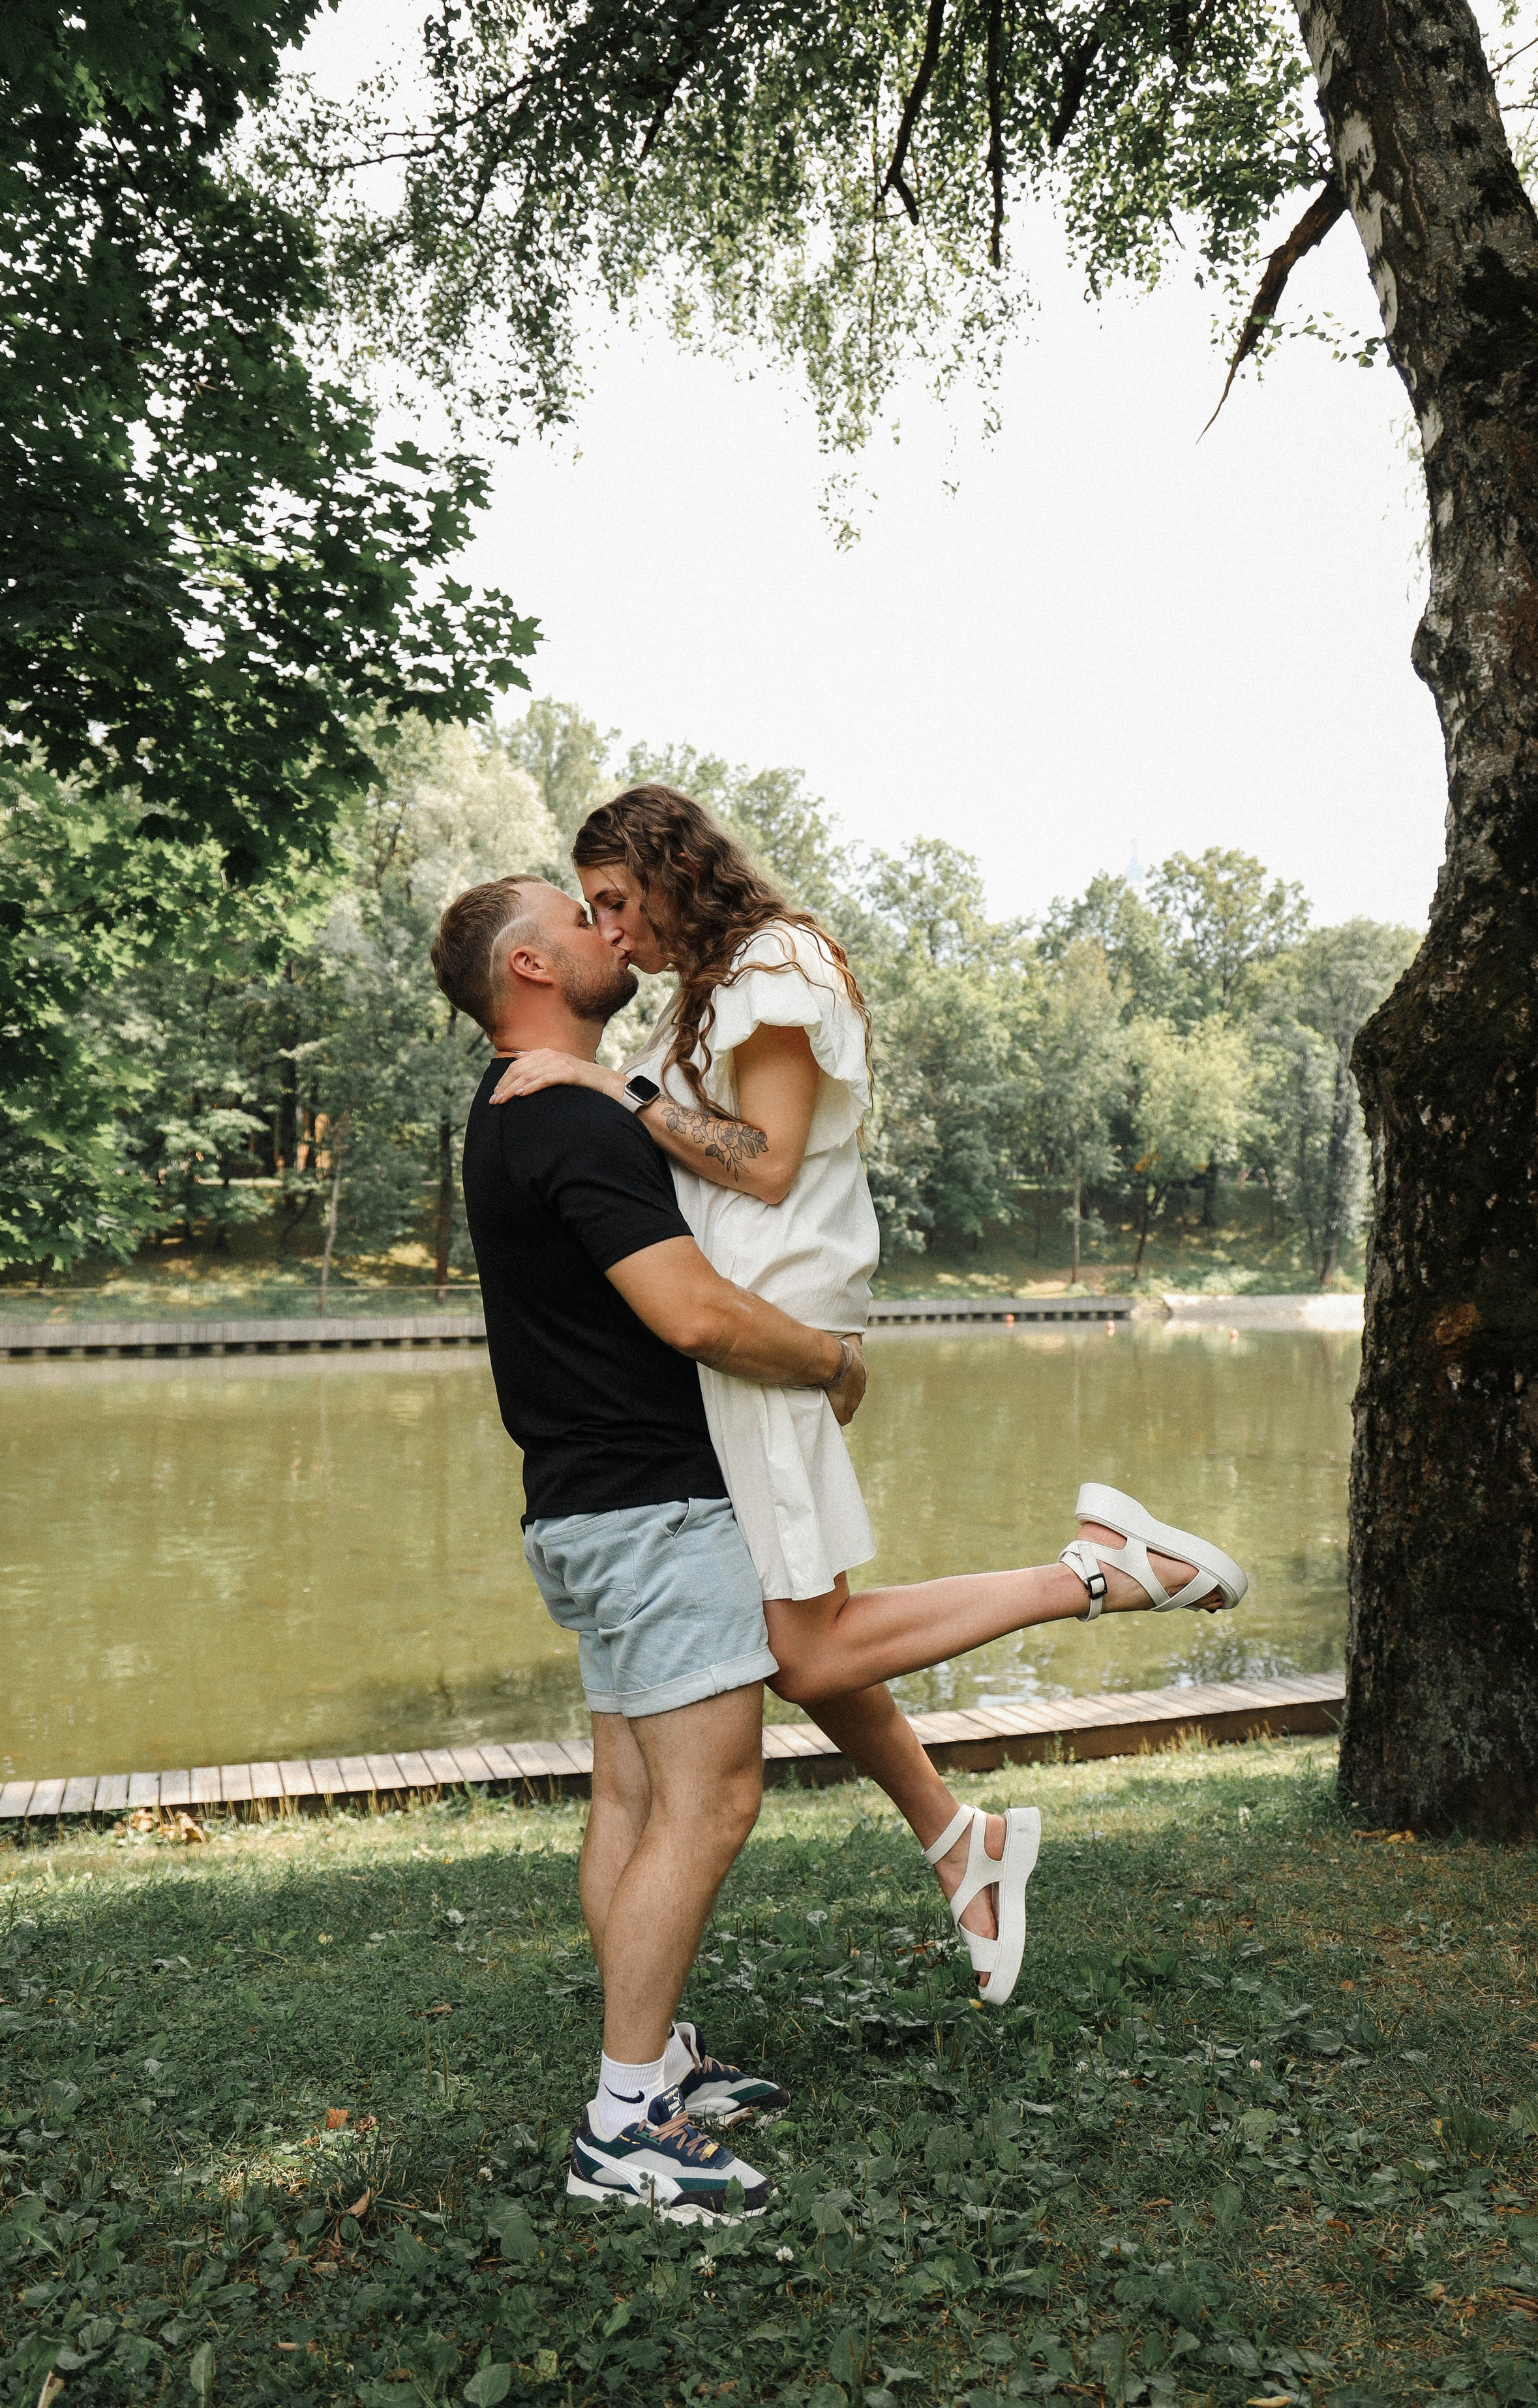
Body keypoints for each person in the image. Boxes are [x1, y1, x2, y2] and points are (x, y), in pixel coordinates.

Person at [489, 787, 1249, 2009]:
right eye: (596, 915)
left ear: (669, 868)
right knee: (801, 1643)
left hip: (767, 1336)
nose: (614, 932)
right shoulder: (713, 990)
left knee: (803, 1648)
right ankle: (961, 1841)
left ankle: (1103, 1572)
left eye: (620, 901)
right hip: (731, 1357)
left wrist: (611, 1093)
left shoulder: (777, 965)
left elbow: (770, 1165)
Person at [431, 871, 868, 2223]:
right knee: (711, 1799)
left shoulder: (518, 1117)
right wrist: (826, 1362)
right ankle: (623, 2127)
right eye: (579, 919)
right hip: (655, 1511)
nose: (606, 933)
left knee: (629, 1798)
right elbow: (690, 1315)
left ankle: (656, 2060)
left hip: (583, 1509)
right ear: (528, 967)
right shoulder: (567, 1122)